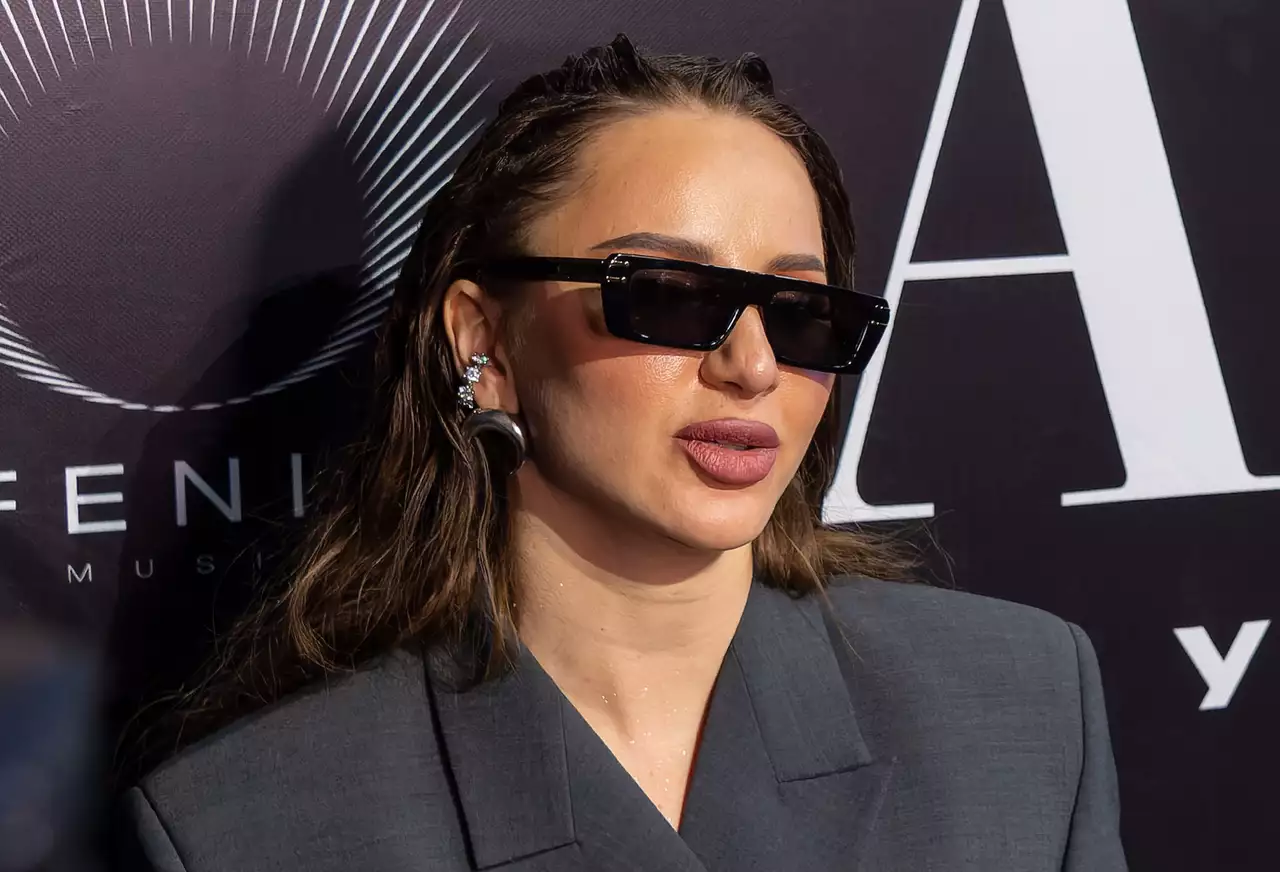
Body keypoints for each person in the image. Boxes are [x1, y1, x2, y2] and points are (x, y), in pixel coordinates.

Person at [124, 34, 1127, 871]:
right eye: (669, 297)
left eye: (800, 312)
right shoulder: (249, 827)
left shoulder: (1020, 711)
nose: (752, 365)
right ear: (482, 342)